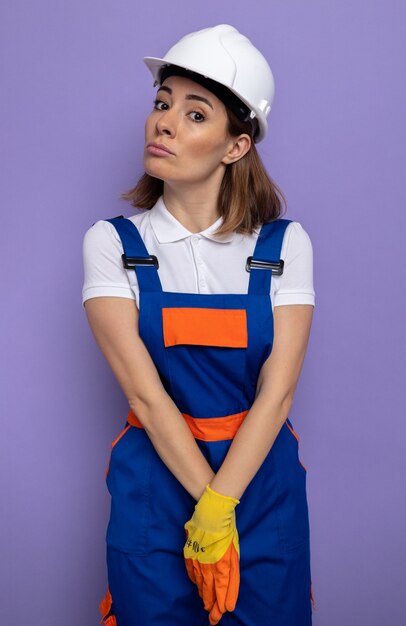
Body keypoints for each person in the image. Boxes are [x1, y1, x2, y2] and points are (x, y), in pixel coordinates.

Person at [82, 24, 316, 626]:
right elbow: (145, 394)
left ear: (235, 146)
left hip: (261, 485)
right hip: (153, 488)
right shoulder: (113, 244)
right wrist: (205, 508)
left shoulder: (284, 246)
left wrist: (222, 507)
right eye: (162, 105)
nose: (164, 123)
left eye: (194, 114)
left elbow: (278, 391)